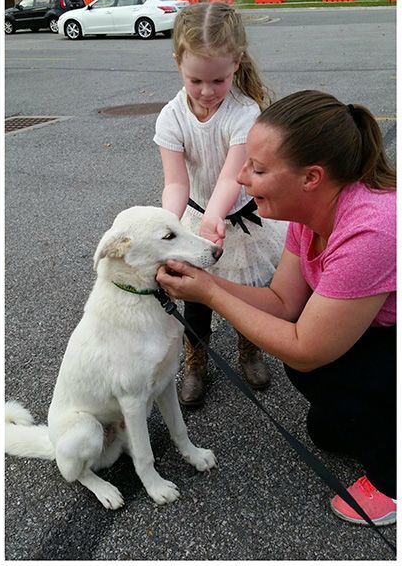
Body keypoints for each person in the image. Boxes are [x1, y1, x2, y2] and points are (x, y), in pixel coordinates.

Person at [157, 89, 396, 526]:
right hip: (378, 337)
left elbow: (306, 347)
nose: (241, 178)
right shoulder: (312, 215)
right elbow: (282, 304)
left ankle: (391, 482)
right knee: (324, 430)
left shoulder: (371, 232)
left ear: (311, 178)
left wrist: (211, 296)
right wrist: (207, 282)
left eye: (258, 168)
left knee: (313, 366)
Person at [153, 1, 287, 406]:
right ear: (177, 62)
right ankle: (196, 361)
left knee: (248, 289)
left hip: (242, 218)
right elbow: (175, 183)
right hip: (196, 216)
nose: (207, 92)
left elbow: (233, 174)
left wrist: (218, 215)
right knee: (196, 295)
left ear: (236, 65)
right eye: (196, 80)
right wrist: (167, 227)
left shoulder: (244, 113)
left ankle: (250, 349)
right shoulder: (171, 117)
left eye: (219, 80)